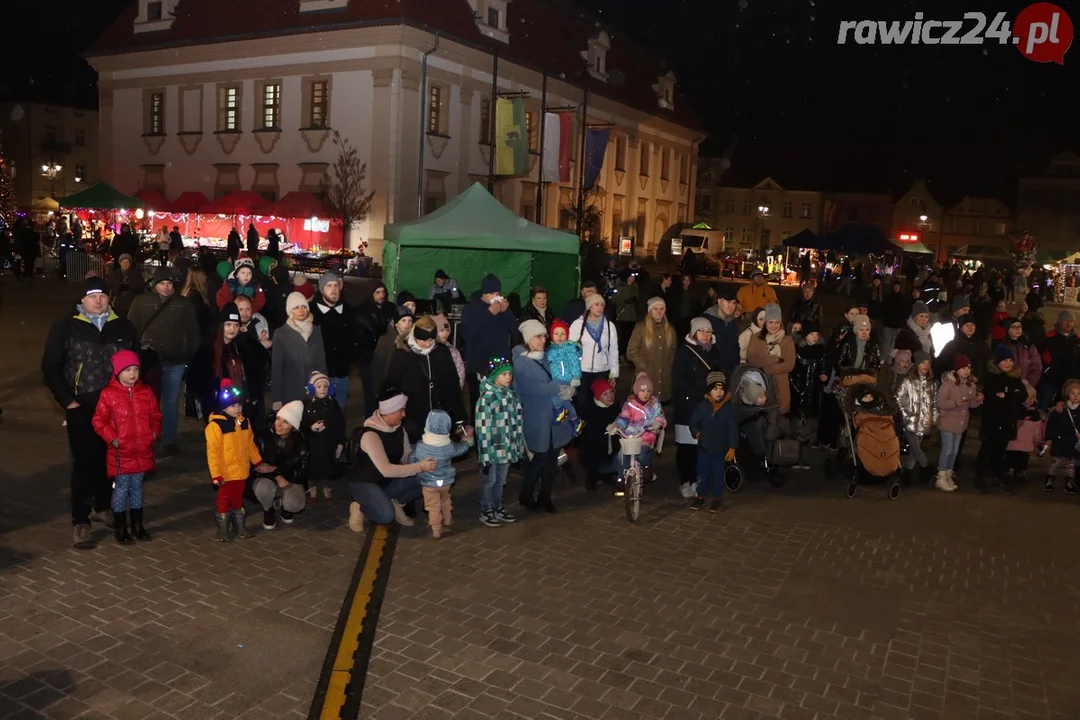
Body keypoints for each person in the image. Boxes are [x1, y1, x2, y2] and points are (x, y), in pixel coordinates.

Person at [41, 277, 139, 550]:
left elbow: (135, 362)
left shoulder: (123, 326)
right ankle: (81, 520)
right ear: (82, 300)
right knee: (84, 463)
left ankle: (102, 505)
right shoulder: (66, 326)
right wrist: (67, 400)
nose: (98, 300)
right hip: (82, 408)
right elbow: (51, 365)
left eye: (103, 296)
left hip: (116, 408)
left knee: (110, 460)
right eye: (92, 296)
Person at [126, 266, 201, 453]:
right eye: (162, 284)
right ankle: (147, 437)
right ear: (154, 285)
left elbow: (192, 332)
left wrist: (189, 354)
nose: (166, 287)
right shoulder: (141, 302)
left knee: (170, 400)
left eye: (169, 284)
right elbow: (130, 328)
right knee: (148, 401)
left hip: (175, 360)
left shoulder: (183, 304)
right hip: (149, 362)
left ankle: (169, 439)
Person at [91, 350, 161, 544]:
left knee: (137, 488)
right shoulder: (109, 395)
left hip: (142, 451)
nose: (132, 374)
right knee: (122, 489)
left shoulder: (146, 393)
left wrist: (153, 433)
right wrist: (113, 438)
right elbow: (99, 421)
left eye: (136, 369)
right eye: (128, 370)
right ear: (117, 372)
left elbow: (155, 415)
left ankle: (138, 524)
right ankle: (120, 527)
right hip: (121, 453)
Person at [347, 387, 435, 529]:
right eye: (401, 410)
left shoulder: (399, 427)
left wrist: (424, 459)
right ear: (390, 412)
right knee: (385, 516)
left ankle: (396, 502)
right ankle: (360, 507)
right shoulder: (370, 434)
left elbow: (406, 456)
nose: (404, 414)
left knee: (427, 477)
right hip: (364, 482)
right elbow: (387, 470)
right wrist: (419, 467)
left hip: (385, 482)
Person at [513, 319, 576, 512]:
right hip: (537, 416)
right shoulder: (521, 362)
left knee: (552, 458)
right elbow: (534, 389)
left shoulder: (549, 356)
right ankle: (526, 493)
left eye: (543, 336)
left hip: (555, 415)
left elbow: (564, 374)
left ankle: (545, 495)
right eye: (537, 337)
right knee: (539, 458)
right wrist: (558, 385)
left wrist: (567, 387)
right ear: (528, 339)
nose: (542, 340)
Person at [386, 316, 467, 443]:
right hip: (412, 415)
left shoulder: (442, 351)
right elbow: (392, 384)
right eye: (423, 340)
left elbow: (453, 384)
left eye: (431, 339)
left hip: (440, 414)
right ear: (415, 337)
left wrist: (460, 417)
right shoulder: (402, 354)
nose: (428, 344)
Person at [205, 379, 267, 541]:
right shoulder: (216, 426)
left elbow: (250, 444)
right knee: (223, 501)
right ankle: (223, 530)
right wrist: (216, 474)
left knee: (238, 500)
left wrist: (257, 461)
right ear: (224, 407)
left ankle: (240, 527)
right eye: (233, 405)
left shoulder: (244, 422)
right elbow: (213, 452)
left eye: (238, 405)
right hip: (225, 473)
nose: (237, 408)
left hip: (241, 471)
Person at [672, 318, 722, 498]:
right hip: (688, 406)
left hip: (708, 407)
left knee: (702, 447)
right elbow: (679, 380)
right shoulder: (684, 352)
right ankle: (686, 480)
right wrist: (698, 394)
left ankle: (699, 479)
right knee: (686, 446)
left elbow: (720, 375)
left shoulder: (715, 352)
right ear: (694, 333)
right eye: (702, 331)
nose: (706, 335)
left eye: (708, 332)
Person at [474, 356, 526, 526]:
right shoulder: (487, 398)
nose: (508, 377)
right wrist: (485, 454)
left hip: (507, 447)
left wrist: (517, 445)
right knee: (490, 480)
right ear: (494, 376)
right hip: (492, 448)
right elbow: (482, 427)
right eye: (504, 374)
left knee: (501, 480)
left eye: (510, 374)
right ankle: (486, 509)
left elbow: (517, 423)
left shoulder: (511, 395)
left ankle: (497, 506)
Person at [461, 273, 518, 417]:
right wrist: (488, 313)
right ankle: (478, 434)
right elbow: (468, 334)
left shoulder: (502, 309)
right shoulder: (471, 309)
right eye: (491, 293)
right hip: (478, 365)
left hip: (499, 365)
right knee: (479, 404)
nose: (495, 296)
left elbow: (515, 331)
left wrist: (506, 312)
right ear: (484, 294)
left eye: (497, 293)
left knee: (500, 403)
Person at [411, 410, 473, 538]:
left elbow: (413, 458)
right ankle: (448, 519)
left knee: (433, 506)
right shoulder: (449, 446)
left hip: (429, 483)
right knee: (445, 500)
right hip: (446, 481)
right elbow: (461, 449)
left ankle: (436, 529)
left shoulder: (421, 446)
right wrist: (466, 441)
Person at [977, 344, 1028, 493]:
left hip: (1008, 419)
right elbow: (993, 395)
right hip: (992, 419)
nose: (1008, 363)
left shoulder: (1014, 377)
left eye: (1010, 360)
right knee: (988, 447)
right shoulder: (990, 376)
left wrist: (1008, 395)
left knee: (1001, 448)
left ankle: (996, 474)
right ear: (997, 361)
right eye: (1004, 360)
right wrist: (1011, 394)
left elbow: (1022, 394)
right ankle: (982, 475)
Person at [253, 400, 309, 530]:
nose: (279, 424)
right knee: (263, 488)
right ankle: (268, 509)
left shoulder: (301, 443)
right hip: (266, 479)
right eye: (278, 419)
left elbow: (301, 473)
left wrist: (279, 471)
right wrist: (277, 474)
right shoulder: (262, 438)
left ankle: (286, 507)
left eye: (285, 422)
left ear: (294, 427)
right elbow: (255, 467)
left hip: (290, 480)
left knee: (296, 503)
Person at [689, 371, 737, 513]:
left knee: (717, 474)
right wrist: (696, 432)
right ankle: (700, 495)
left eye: (721, 389)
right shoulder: (702, 407)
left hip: (720, 449)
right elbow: (693, 421)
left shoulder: (728, 409)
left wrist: (732, 447)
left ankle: (717, 498)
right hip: (704, 447)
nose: (719, 392)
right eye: (715, 389)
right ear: (709, 391)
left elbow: (733, 429)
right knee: (702, 473)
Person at [610, 371, 667, 488]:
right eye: (642, 390)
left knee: (642, 454)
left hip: (646, 435)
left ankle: (646, 468)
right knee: (621, 456)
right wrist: (617, 425)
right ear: (636, 391)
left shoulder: (654, 405)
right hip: (630, 436)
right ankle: (621, 478)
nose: (646, 393)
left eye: (648, 391)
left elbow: (660, 417)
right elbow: (624, 417)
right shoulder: (630, 404)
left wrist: (657, 424)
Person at [310, 271, 358, 411]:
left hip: (342, 372)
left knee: (339, 411)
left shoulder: (348, 310)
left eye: (336, 285)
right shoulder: (312, 312)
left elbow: (354, 336)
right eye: (329, 286)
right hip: (320, 373)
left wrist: (349, 358)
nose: (333, 289)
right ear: (322, 289)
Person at [271, 292, 327, 408]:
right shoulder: (281, 333)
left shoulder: (316, 331)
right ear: (290, 311)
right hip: (291, 392)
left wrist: (325, 386)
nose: (301, 310)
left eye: (304, 306)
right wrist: (277, 399)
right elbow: (277, 368)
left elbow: (322, 362)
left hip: (314, 389)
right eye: (296, 307)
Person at [935, 354, 982, 492]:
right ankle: (941, 475)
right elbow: (941, 402)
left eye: (968, 368)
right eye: (963, 368)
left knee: (955, 451)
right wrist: (954, 403)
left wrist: (978, 399)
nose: (966, 371)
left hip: (961, 423)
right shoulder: (948, 384)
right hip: (947, 421)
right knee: (947, 449)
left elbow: (972, 404)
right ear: (956, 370)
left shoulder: (970, 385)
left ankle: (949, 474)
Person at [568, 293, 620, 407]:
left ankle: (598, 424)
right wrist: (571, 371)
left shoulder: (609, 326)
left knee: (600, 404)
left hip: (602, 371)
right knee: (581, 403)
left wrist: (614, 373)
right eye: (596, 304)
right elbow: (569, 349)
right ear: (589, 307)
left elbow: (613, 350)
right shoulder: (578, 325)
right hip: (581, 372)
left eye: (602, 305)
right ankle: (581, 423)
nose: (600, 307)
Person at [302, 371, 346, 501]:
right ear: (312, 388)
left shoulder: (333, 404)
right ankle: (312, 484)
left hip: (328, 441)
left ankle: (325, 484)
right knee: (312, 464)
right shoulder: (307, 405)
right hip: (312, 442)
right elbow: (302, 423)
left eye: (325, 387)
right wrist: (311, 427)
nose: (322, 389)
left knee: (327, 463)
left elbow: (339, 423)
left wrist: (340, 441)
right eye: (319, 387)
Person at [746, 303, 796, 415]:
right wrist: (774, 360)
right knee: (764, 416)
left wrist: (766, 369)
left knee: (780, 417)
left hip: (781, 385)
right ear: (765, 323)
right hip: (762, 384)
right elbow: (752, 360)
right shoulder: (756, 338)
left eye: (777, 322)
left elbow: (790, 365)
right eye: (771, 322)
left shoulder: (787, 341)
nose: (774, 326)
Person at [357, 282, 399, 414]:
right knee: (370, 393)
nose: (381, 295)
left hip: (386, 356)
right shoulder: (362, 311)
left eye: (383, 292)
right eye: (377, 292)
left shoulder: (390, 309)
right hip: (368, 358)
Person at [896, 351, 937, 485]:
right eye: (923, 362)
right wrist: (907, 414)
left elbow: (935, 402)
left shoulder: (932, 383)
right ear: (916, 364)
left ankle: (907, 473)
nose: (926, 365)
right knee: (915, 447)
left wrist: (934, 417)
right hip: (911, 421)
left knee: (914, 450)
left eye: (928, 363)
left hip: (925, 421)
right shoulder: (908, 381)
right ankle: (927, 467)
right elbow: (899, 398)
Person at [627, 297, 677, 404]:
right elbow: (631, 351)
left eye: (662, 309)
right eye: (655, 309)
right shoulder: (641, 328)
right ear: (650, 310)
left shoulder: (670, 330)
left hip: (664, 379)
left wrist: (670, 363)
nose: (659, 312)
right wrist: (644, 365)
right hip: (646, 377)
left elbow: (673, 349)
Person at [790, 321, 826, 438]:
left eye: (816, 335)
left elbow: (824, 366)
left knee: (812, 414)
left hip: (815, 388)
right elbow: (793, 370)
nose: (815, 337)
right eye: (812, 334)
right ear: (805, 336)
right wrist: (796, 386)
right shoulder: (798, 351)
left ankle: (810, 435)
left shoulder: (821, 351)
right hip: (800, 388)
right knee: (799, 412)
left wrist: (824, 375)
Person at [1044, 378, 1080, 495]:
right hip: (1060, 440)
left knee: (1071, 463)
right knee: (1056, 461)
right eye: (1073, 393)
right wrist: (1049, 439)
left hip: (1074, 441)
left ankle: (1070, 481)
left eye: (1079, 394)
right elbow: (1052, 425)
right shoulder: (1061, 409)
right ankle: (1050, 478)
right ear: (1067, 394)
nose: (1076, 396)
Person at [1039, 311, 1080, 411]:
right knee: (1046, 403)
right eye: (1066, 321)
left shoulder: (1077, 339)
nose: (1069, 324)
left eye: (1071, 321)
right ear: (1059, 322)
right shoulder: (1049, 338)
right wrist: (1047, 370)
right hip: (1052, 379)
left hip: (1071, 379)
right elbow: (1039, 357)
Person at [546, 319, 583, 431]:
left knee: (553, 392)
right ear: (551, 335)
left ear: (567, 335)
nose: (559, 336)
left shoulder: (569, 348)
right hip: (556, 378)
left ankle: (559, 410)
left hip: (565, 378)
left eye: (563, 334)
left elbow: (574, 363)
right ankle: (575, 420)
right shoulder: (551, 349)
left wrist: (576, 377)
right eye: (556, 334)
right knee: (564, 400)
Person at [372, 307, 413, 398]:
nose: (407, 324)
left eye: (410, 321)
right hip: (389, 390)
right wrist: (378, 391)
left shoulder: (413, 341)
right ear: (396, 324)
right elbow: (378, 367)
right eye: (403, 320)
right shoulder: (385, 340)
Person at [705, 288, 741, 377]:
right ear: (719, 301)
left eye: (733, 303)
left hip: (729, 373)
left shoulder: (733, 324)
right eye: (728, 302)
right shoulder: (706, 321)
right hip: (711, 374)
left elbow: (735, 347)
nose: (731, 306)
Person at [431, 313, 465, 389]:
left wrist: (458, 388)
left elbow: (460, 371)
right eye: (441, 330)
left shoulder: (453, 351)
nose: (445, 333)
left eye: (447, 330)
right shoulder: (428, 350)